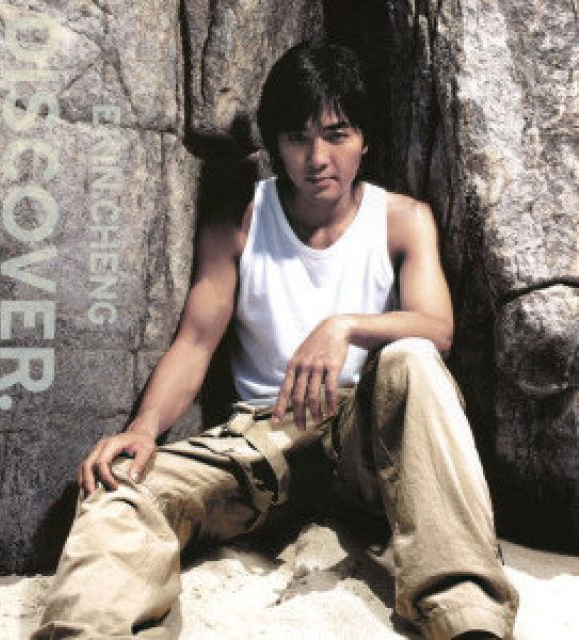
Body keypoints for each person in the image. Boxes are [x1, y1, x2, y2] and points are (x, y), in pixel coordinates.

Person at [33, 41, 519, 640]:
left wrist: (343, 326)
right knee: (119, 488)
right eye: (298, 138)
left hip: (369, 447)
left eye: (337, 135)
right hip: (264, 441)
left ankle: (468, 617)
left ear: (364, 139)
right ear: (277, 144)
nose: (318, 159)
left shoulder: (403, 219)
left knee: (412, 357)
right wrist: (143, 428)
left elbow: (436, 328)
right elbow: (195, 343)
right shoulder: (240, 218)